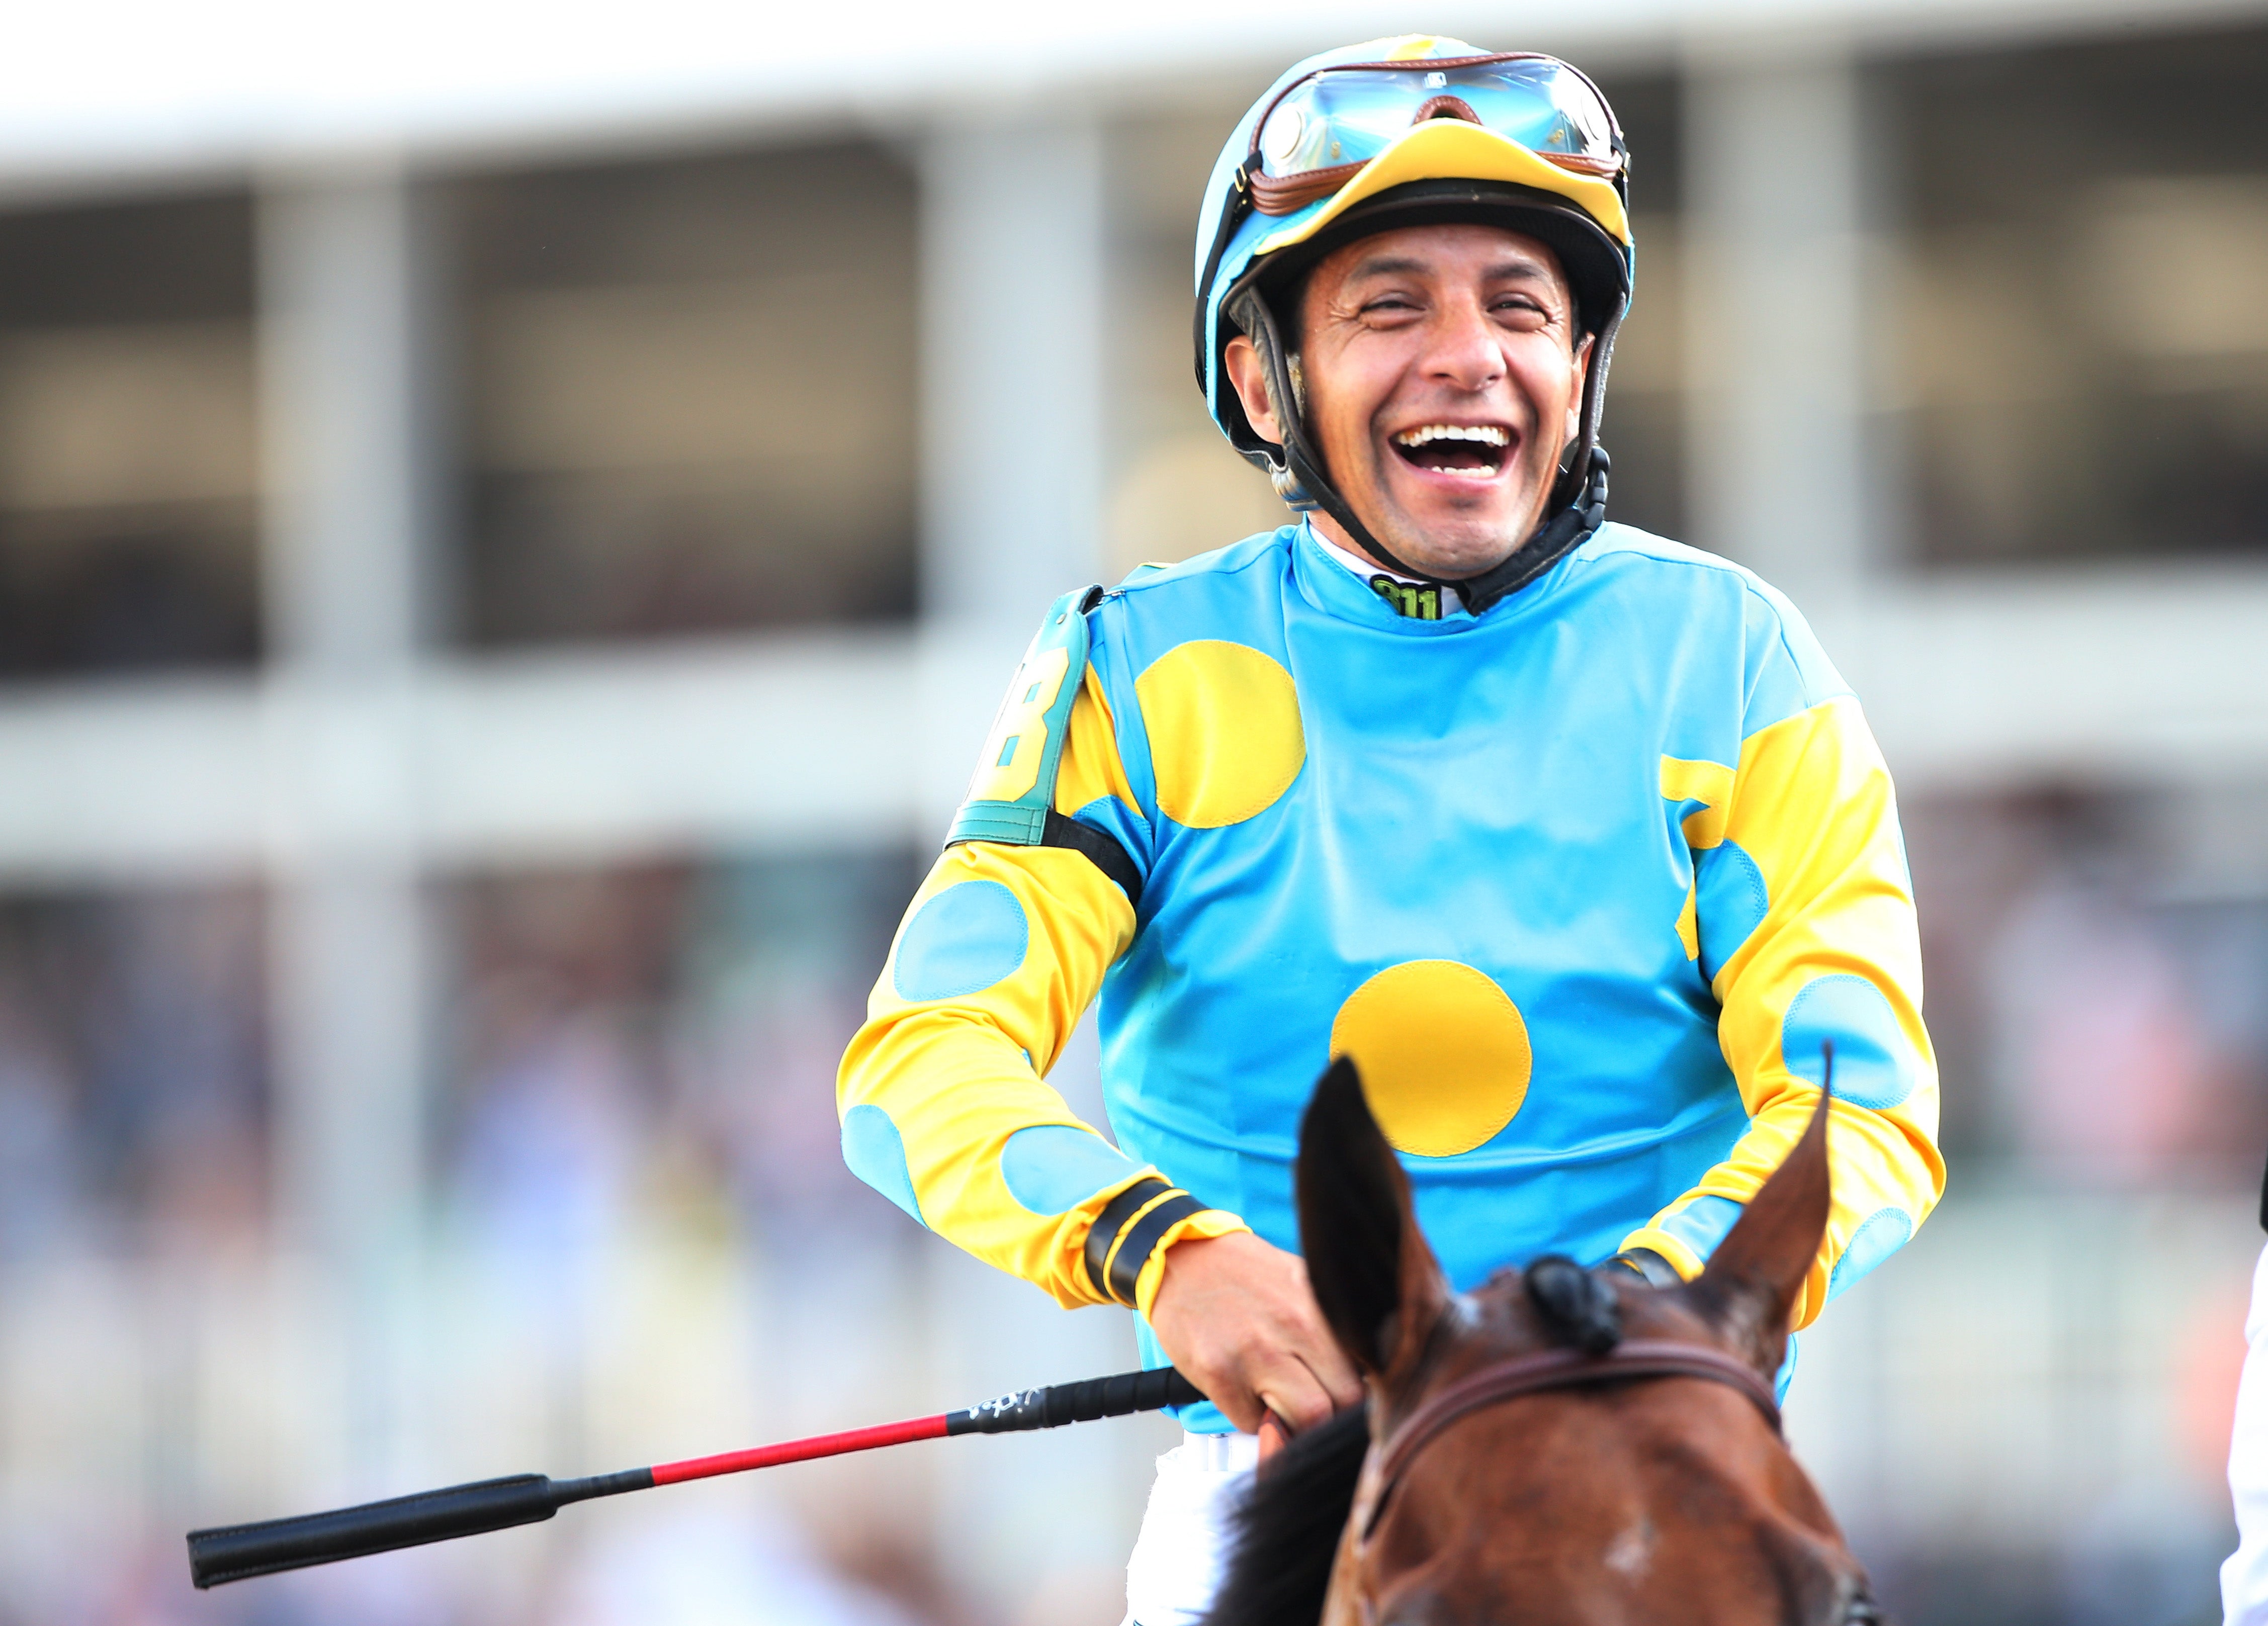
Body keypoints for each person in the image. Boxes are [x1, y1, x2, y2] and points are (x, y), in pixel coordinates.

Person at [837, 35, 1945, 1625]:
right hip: (1284, 1486)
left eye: (1518, 306)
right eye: (1390, 307)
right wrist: (1166, 1255)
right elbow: (919, 1058)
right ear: (1259, 378)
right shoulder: (1130, 670)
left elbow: (1867, 1102)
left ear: (1578, 367)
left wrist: (1611, 1321)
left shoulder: (1735, 658)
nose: (1468, 356)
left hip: (1661, 1445)